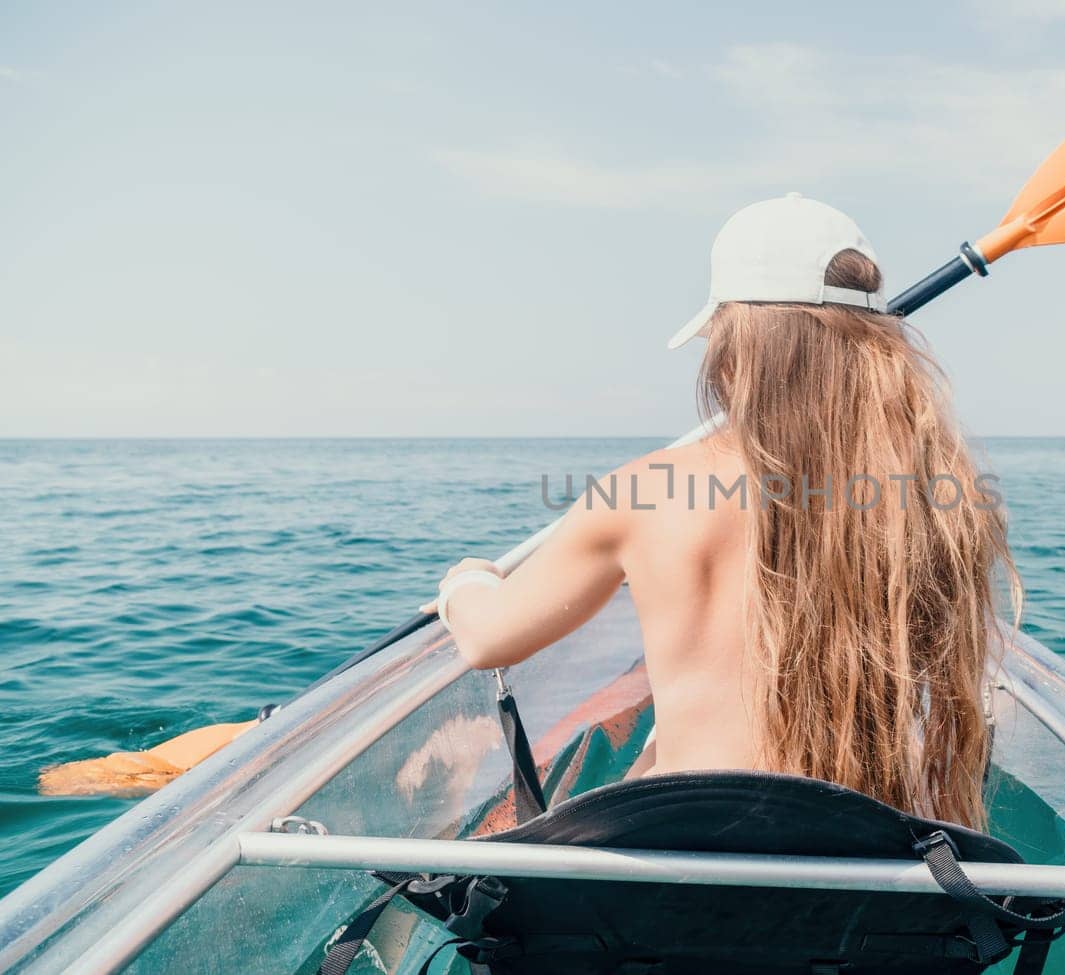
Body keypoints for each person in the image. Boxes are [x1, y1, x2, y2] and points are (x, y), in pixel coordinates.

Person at [426, 194, 1019, 828]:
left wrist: (468, 580)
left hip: (689, 850)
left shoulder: (646, 491)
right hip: (856, 856)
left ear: (733, 345)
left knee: (645, 775)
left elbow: (489, 638)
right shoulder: (935, 497)